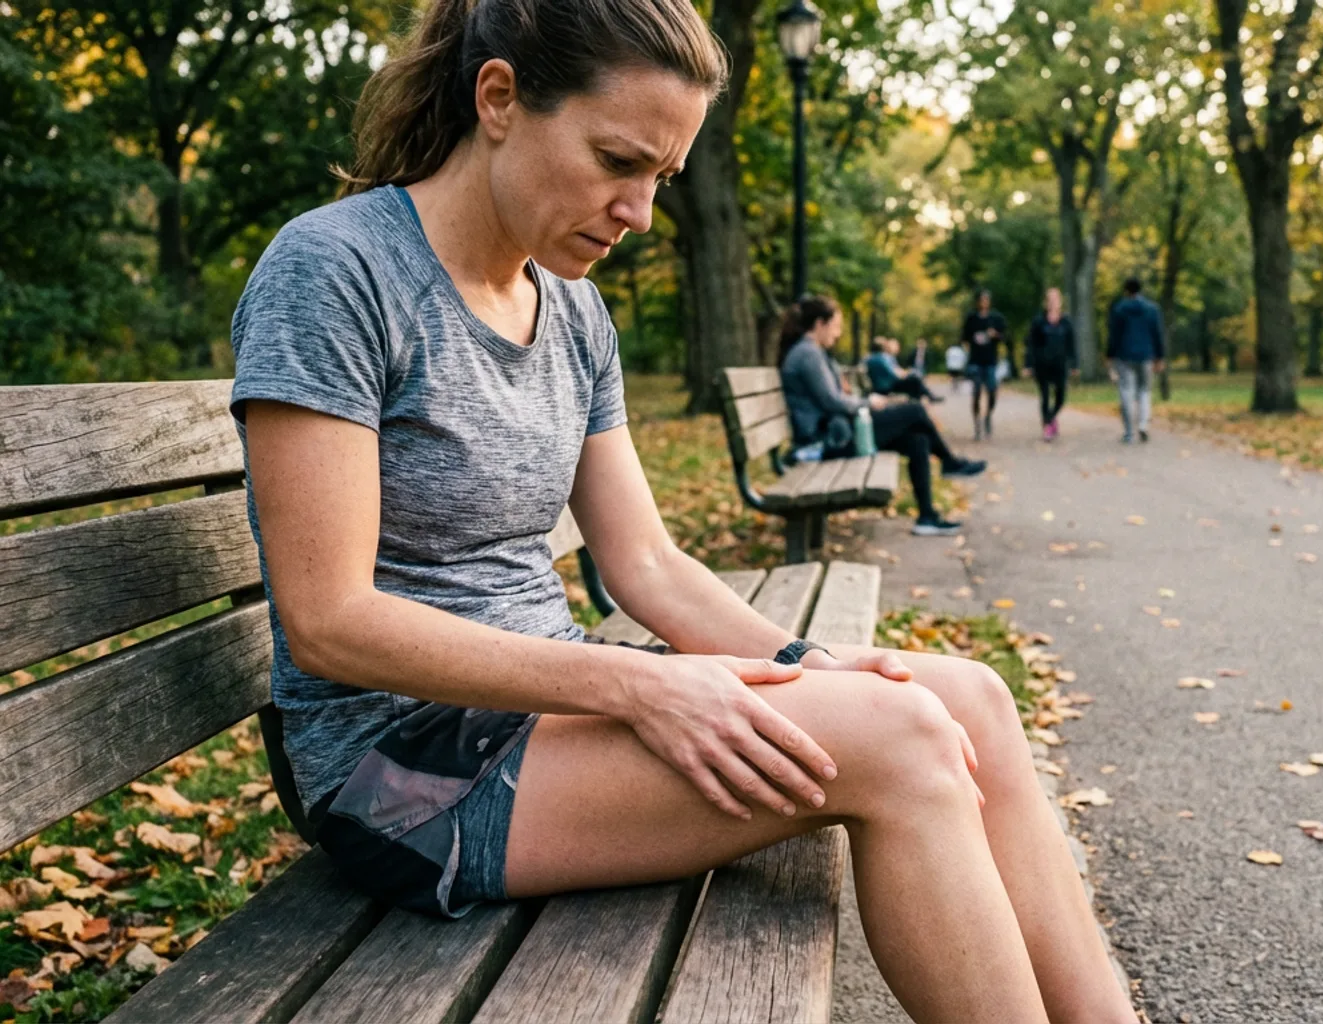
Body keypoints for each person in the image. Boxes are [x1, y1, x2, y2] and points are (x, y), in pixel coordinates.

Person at [229, 0, 1135, 1019]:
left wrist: (805, 663)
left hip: (547, 713)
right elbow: (331, 619)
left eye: (660, 178)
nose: (640, 213)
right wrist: (638, 685)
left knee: (973, 698)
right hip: (399, 772)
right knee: (903, 740)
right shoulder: (336, 272)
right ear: (500, 99)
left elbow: (647, 564)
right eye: (617, 161)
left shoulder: (574, 310)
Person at [783, 300, 980, 535]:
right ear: (819, 324)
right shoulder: (808, 354)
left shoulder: (811, 352)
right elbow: (832, 402)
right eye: (835, 326)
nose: (838, 333)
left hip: (835, 432)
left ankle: (927, 517)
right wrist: (868, 403)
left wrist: (862, 400)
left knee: (917, 439)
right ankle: (949, 462)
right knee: (915, 411)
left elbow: (833, 398)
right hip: (825, 441)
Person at [1106, 277, 1166, 443]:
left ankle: (1128, 432)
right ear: (1140, 290)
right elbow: (1157, 334)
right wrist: (1160, 357)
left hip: (1124, 356)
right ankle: (1143, 425)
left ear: (1126, 291)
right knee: (1144, 391)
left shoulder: (1119, 309)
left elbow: (1113, 335)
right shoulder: (1152, 309)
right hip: (1146, 355)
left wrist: (1109, 355)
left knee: (1126, 390)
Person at [1023, 288, 1077, 441]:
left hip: (1060, 364)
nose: (1053, 302)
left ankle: (1051, 417)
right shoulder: (1039, 321)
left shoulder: (1066, 322)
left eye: (1056, 299)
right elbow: (1031, 344)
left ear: (1060, 302)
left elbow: (1071, 344)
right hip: (1042, 365)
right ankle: (1047, 426)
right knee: (1045, 396)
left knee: (1061, 397)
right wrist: (1028, 365)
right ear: (1045, 302)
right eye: (1050, 299)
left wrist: (1074, 364)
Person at [961, 289, 1007, 440]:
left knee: (992, 391)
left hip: (990, 361)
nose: (984, 302)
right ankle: (977, 424)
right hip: (975, 361)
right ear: (977, 301)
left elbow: (1004, 337)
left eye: (986, 299)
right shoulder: (971, 318)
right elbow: (964, 338)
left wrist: (995, 335)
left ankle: (988, 415)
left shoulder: (996, 318)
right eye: (981, 299)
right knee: (976, 393)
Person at [865, 336, 942, 402]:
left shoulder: (870, 358)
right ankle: (918, 403)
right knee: (914, 380)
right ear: (882, 347)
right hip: (886, 387)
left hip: (882, 386)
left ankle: (921, 401)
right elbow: (893, 374)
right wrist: (905, 374)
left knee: (914, 380)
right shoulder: (881, 358)